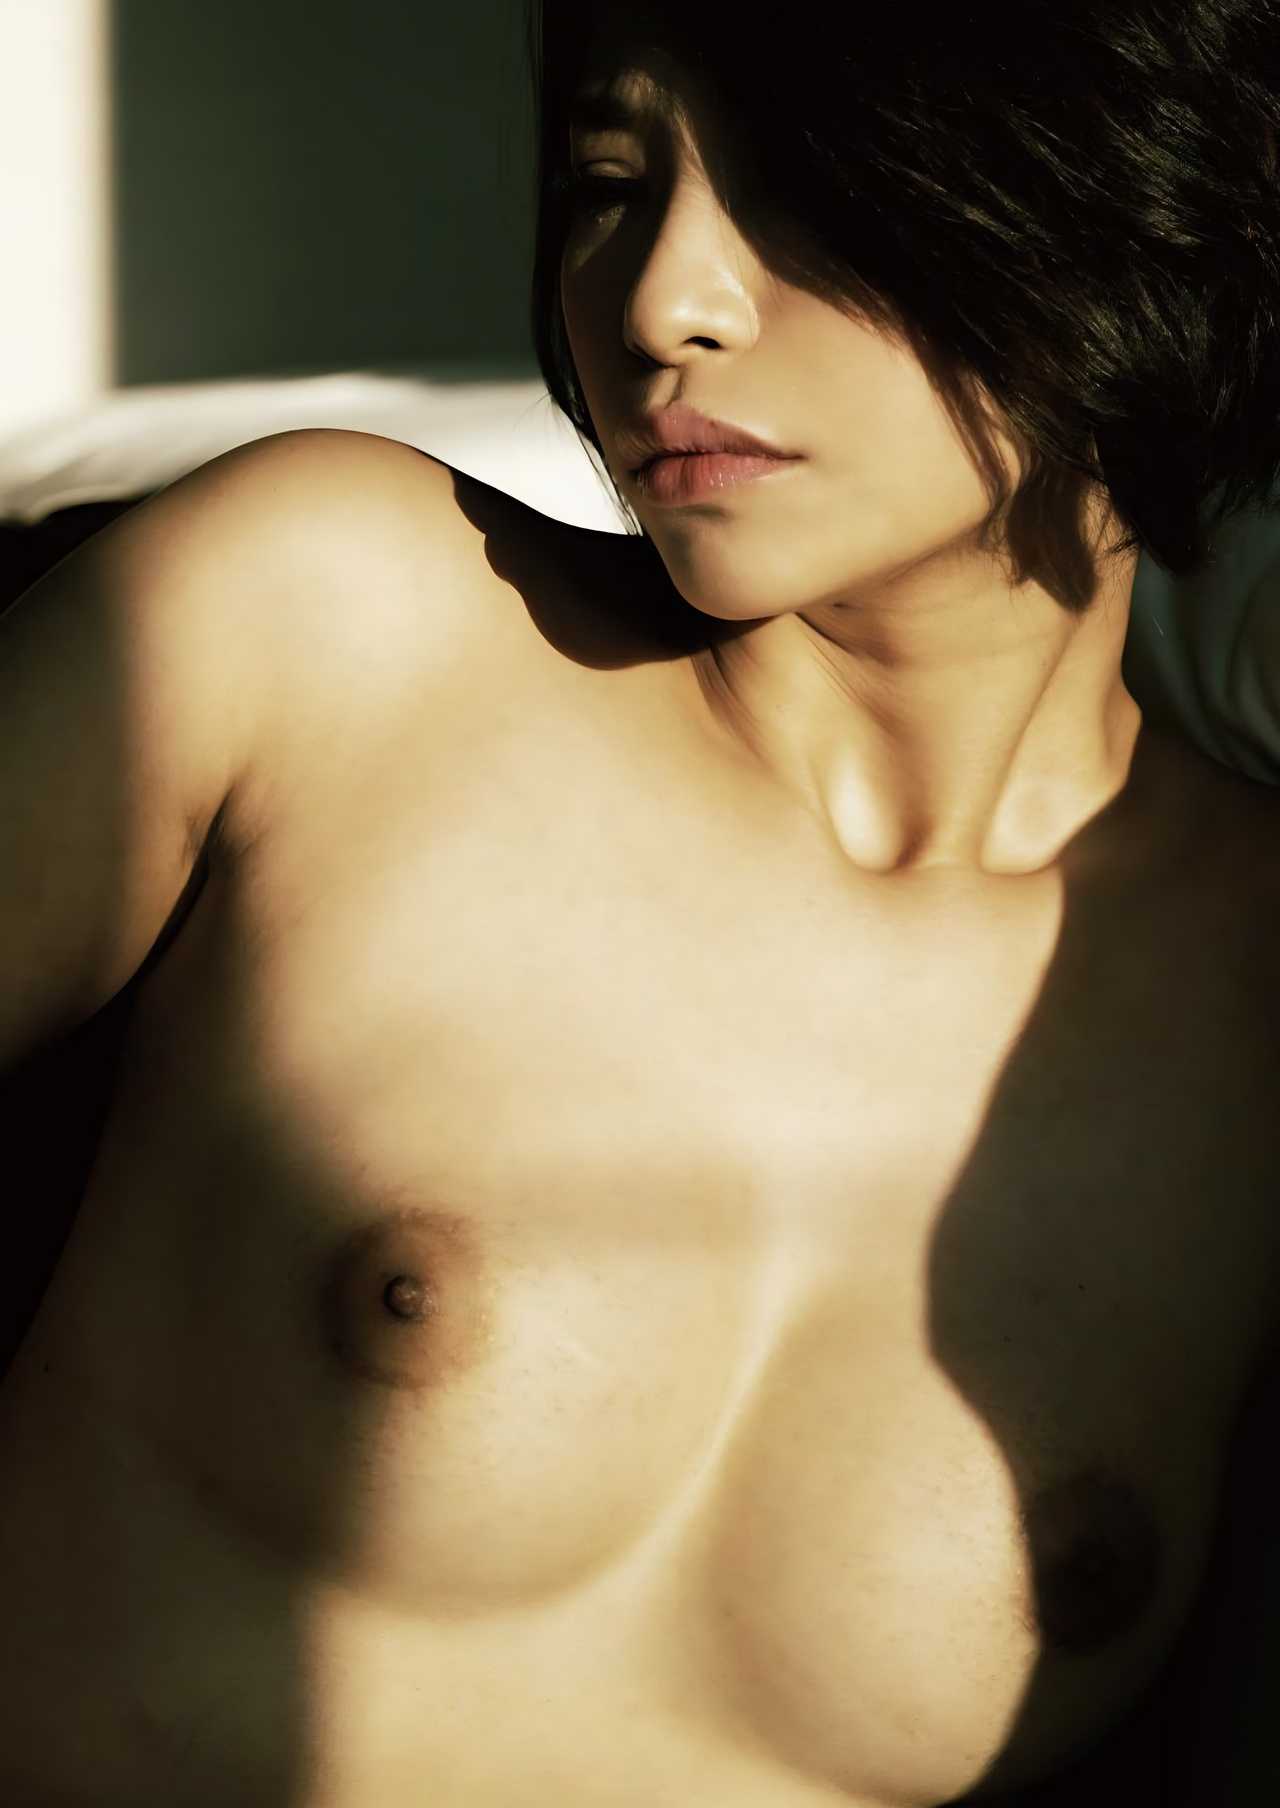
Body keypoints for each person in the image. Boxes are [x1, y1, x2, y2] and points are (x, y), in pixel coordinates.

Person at [1, 0, 1278, 1802]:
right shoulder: (329, 627)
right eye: (610, 184)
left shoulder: (1247, 997)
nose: (663, 299)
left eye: (804, 187)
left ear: (1122, 194)